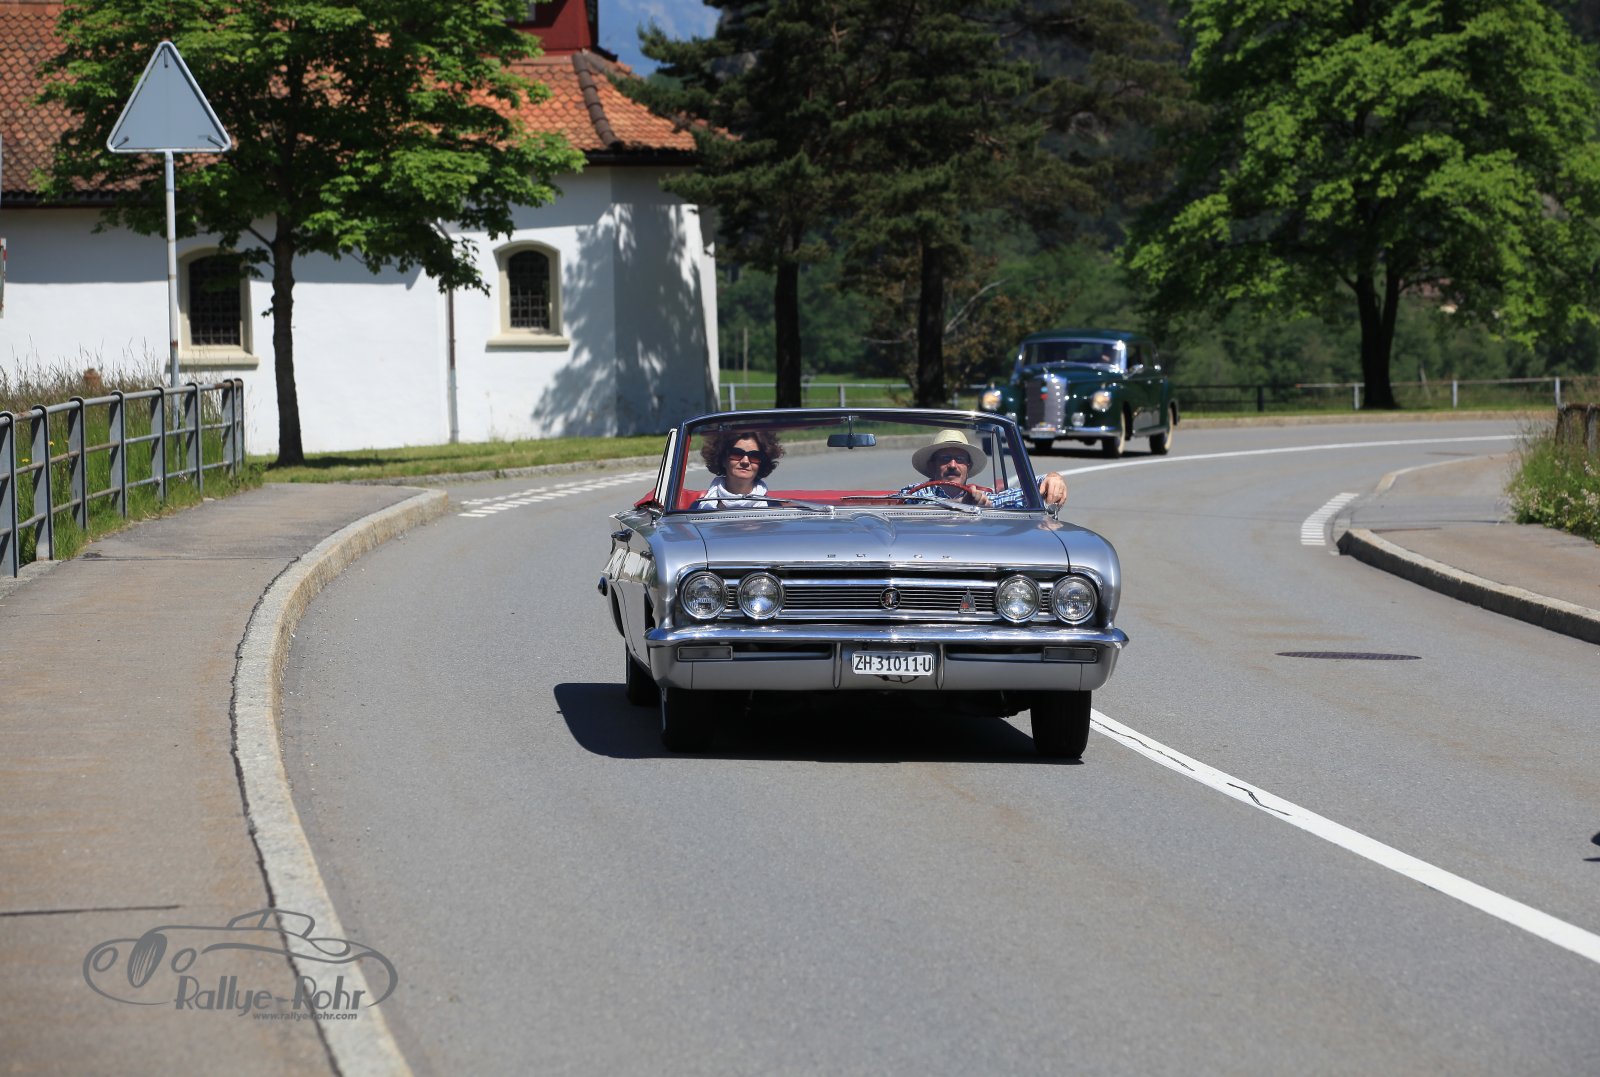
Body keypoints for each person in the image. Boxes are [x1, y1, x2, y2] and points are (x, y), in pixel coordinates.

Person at [898, 429, 1068, 508]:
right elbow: (908, 505)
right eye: (945, 459)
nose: (952, 465)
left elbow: (1019, 496)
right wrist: (962, 505)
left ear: (968, 466)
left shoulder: (980, 497)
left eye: (959, 459)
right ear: (931, 465)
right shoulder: (915, 493)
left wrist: (1052, 478)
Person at [696, 428, 785, 509]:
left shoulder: (774, 509)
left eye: (754, 456)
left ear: (761, 463)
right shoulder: (698, 508)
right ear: (722, 459)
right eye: (737, 454)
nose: (745, 461)